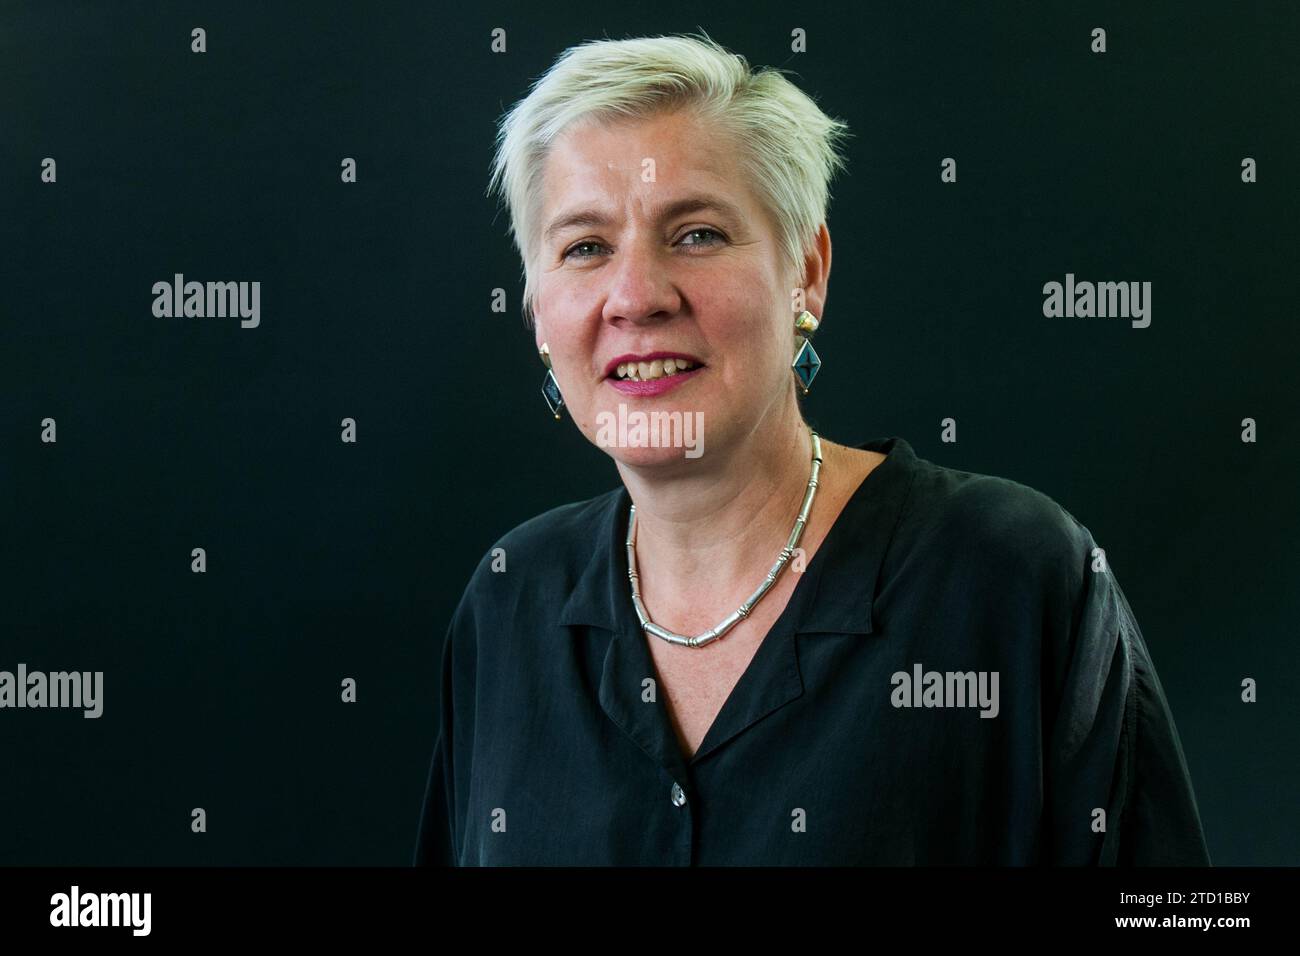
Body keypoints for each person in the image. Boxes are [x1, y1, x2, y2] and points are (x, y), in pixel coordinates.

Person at [413, 32, 1210, 865]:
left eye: (696, 234)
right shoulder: (510, 601)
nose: (637, 296)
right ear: (539, 313)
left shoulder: (1008, 575)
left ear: (808, 273)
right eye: (584, 247)